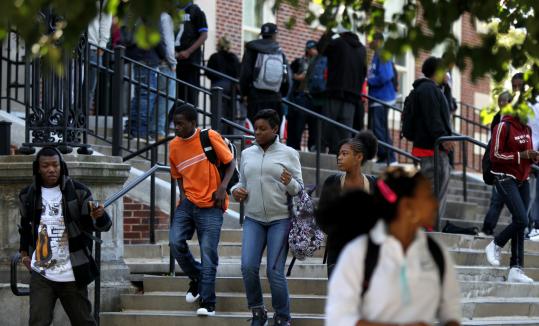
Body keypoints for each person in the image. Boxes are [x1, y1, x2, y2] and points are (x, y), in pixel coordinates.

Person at [322, 166, 462, 325]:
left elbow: (451, 314)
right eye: (427, 197)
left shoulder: (437, 252)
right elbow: (338, 319)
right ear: (407, 206)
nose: (435, 204)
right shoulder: (358, 253)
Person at [18, 147, 112, 326]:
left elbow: (101, 226)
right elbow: (25, 227)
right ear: (38, 168)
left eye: (55, 165)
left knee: (83, 321)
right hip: (41, 273)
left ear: (61, 166)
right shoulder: (28, 195)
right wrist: (24, 254)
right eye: (45, 166)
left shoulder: (78, 192)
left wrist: (101, 216)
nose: (51, 169)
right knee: (38, 322)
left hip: (73, 271)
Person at [231, 109, 303, 326]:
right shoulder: (247, 154)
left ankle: (282, 316)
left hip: (280, 219)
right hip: (253, 218)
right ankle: (258, 312)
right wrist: (236, 191)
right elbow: (241, 183)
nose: (258, 133)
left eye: (263, 129)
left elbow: (299, 190)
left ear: (274, 129)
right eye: (256, 129)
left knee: (274, 271)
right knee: (248, 266)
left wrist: (289, 182)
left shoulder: (289, 154)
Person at [168, 103, 236, 316]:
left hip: (212, 205)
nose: (176, 128)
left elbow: (231, 162)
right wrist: (183, 196)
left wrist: (223, 188)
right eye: (174, 124)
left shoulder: (209, 136)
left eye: (180, 124)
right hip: (188, 203)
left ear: (192, 123)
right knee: (175, 241)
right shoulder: (173, 146)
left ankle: (208, 302)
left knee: (208, 253)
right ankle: (197, 277)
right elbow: (178, 175)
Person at [485, 98, 539, 283]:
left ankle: (516, 269)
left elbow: (527, 154)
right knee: (522, 218)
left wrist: (533, 157)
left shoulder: (527, 129)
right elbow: (496, 155)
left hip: (523, 178)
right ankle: (495, 244)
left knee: (521, 223)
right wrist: (520, 155)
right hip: (504, 177)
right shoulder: (503, 126)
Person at [316, 131, 378, 276]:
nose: (339, 157)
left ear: (359, 157)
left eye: (345, 154)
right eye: (339, 154)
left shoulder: (374, 184)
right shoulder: (332, 182)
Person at [410, 56, 454, 221]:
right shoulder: (429, 90)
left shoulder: (427, 89)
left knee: (435, 190)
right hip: (432, 149)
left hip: (430, 148)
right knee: (435, 191)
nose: (447, 75)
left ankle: (430, 226)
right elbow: (433, 118)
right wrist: (443, 138)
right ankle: (430, 227)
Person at [323, 26, 367, 154]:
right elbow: (364, 73)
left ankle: (322, 149)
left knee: (327, 124)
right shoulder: (362, 49)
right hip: (352, 96)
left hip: (335, 91)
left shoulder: (337, 43)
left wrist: (329, 33)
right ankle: (341, 154)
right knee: (344, 130)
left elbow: (321, 49)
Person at [239, 23, 291, 122]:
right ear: (275, 35)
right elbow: (287, 78)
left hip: (255, 97)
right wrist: (282, 94)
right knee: (273, 131)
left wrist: (244, 93)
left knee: (256, 130)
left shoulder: (252, 49)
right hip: (275, 98)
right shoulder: (279, 52)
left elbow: (245, 73)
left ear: (262, 34)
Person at [124, 18, 166, 140]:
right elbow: (156, 38)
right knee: (146, 97)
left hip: (137, 58)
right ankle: (140, 131)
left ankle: (131, 129)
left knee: (139, 95)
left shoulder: (134, 13)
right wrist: (164, 55)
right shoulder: (150, 14)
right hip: (147, 58)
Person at [479, 91, 512, 237]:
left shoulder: (518, 119)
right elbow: (494, 142)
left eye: (504, 103)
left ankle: (524, 228)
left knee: (511, 202)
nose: (502, 106)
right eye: (500, 103)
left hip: (513, 165)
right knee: (497, 200)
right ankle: (487, 228)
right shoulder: (498, 118)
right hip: (500, 165)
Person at [367, 32, 397, 164]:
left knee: (380, 129)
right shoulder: (377, 54)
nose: (368, 42)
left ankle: (388, 157)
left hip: (382, 98)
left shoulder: (382, 53)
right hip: (377, 98)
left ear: (378, 40)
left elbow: (386, 75)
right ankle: (384, 156)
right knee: (378, 129)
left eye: (370, 39)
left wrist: (369, 80)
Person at [286, 40, 320, 150]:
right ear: (308, 49)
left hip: (314, 99)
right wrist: (298, 77)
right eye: (312, 48)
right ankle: (295, 147)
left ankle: (312, 147)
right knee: (298, 125)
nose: (314, 51)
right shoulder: (299, 62)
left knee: (314, 126)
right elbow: (289, 75)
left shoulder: (319, 64)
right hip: (300, 97)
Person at [175, 2, 208, 107]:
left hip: (190, 61)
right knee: (175, 93)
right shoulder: (173, 11)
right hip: (175, 59)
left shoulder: (195, 11)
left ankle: (190, 121)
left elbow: (204, 35)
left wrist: (188, 51)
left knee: (190, 94)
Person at [207, 36, 241, 135]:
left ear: (219, 45)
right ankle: (229, 137)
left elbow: (208, 73)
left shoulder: (214, 57)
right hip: (231, 88)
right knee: (230, 113)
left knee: (217, 113)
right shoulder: (233, 57)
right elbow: (238, 73)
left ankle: (217, 136)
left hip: (217, 86)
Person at [153, 11, 177, 141]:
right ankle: (158, 130)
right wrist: (172, 62)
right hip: (166, 64)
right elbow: (168, 42)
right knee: (167, 97)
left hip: (157, 62)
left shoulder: (153, 15)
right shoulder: (165, 17)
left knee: (159, 97)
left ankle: (155, 129)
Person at [86, 0, 112, 114]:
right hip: (75, 46)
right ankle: (69, 120)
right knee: (72, 87)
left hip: (93, 47)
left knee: (90, 89)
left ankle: (82, 122)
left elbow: (106, 18)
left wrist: (102, 44)